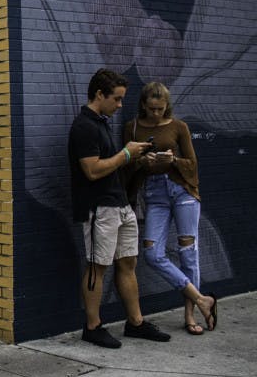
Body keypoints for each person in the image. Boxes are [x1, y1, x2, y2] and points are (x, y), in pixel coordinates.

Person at [68, 68, 169, 348]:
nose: (120, 105)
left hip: (119, 204)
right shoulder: (83, 126)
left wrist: (137, 157)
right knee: (97, 267)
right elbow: (92, 170)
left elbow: (112, 164)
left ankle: (135, 322)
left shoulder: (100, 122)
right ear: (99, 94)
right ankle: (92, 327)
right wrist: (126, 154)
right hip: (99, 208)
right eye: (117, 98)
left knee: (127, 263)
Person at [123, 82, 218, 335]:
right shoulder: (132, 128)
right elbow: (125, 165)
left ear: (167, 106)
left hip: (182, 191)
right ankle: (201, 299)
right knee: (152, 253)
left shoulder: (179, 127)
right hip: (154, 194)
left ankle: (190, 316)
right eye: (152, 109)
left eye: (161, 109)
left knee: (188, 253)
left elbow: (193, 164)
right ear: (143, 104)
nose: (156, 114)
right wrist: (143, 161)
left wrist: (172, 159)